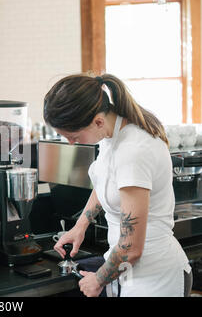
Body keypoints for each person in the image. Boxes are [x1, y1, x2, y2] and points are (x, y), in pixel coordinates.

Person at [43, 73, 192, 297]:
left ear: (98, 121)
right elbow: (107, 181)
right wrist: (80, 225)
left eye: (73, 136)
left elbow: (132, 248)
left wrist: (98, 280)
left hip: (156, 279)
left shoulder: (133, 151)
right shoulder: (112, 133)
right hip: (129, 273)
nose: (71, 143)